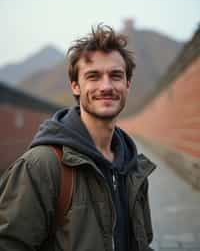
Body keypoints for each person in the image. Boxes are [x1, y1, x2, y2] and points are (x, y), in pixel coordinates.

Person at [0, 24, 156, 251]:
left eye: (116, 76)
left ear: (127, 84)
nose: (106, 86)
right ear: (75, 86)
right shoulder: (41, 166)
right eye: (93, 76)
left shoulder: (135, 167)